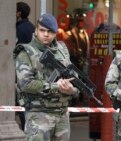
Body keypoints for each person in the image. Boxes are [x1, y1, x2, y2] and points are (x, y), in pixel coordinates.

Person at [13, 13, 79, 141]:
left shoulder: (62, 51)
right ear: (36, 30)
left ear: (55, 33)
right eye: (42, 30)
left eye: (50, 31)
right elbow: (25, 84)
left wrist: (72, 90)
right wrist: (55, 86)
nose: (46, 34)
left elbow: (74, 78)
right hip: (38, 115)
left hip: (62, 114)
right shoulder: (26, 52)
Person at [15, 1, 35, 131]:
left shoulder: (18, 29)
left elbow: (16, 50)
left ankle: (25, 129)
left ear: (19, 13)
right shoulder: (32, 27)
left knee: (21, 101)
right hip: (33, 69)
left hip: (21, 70)